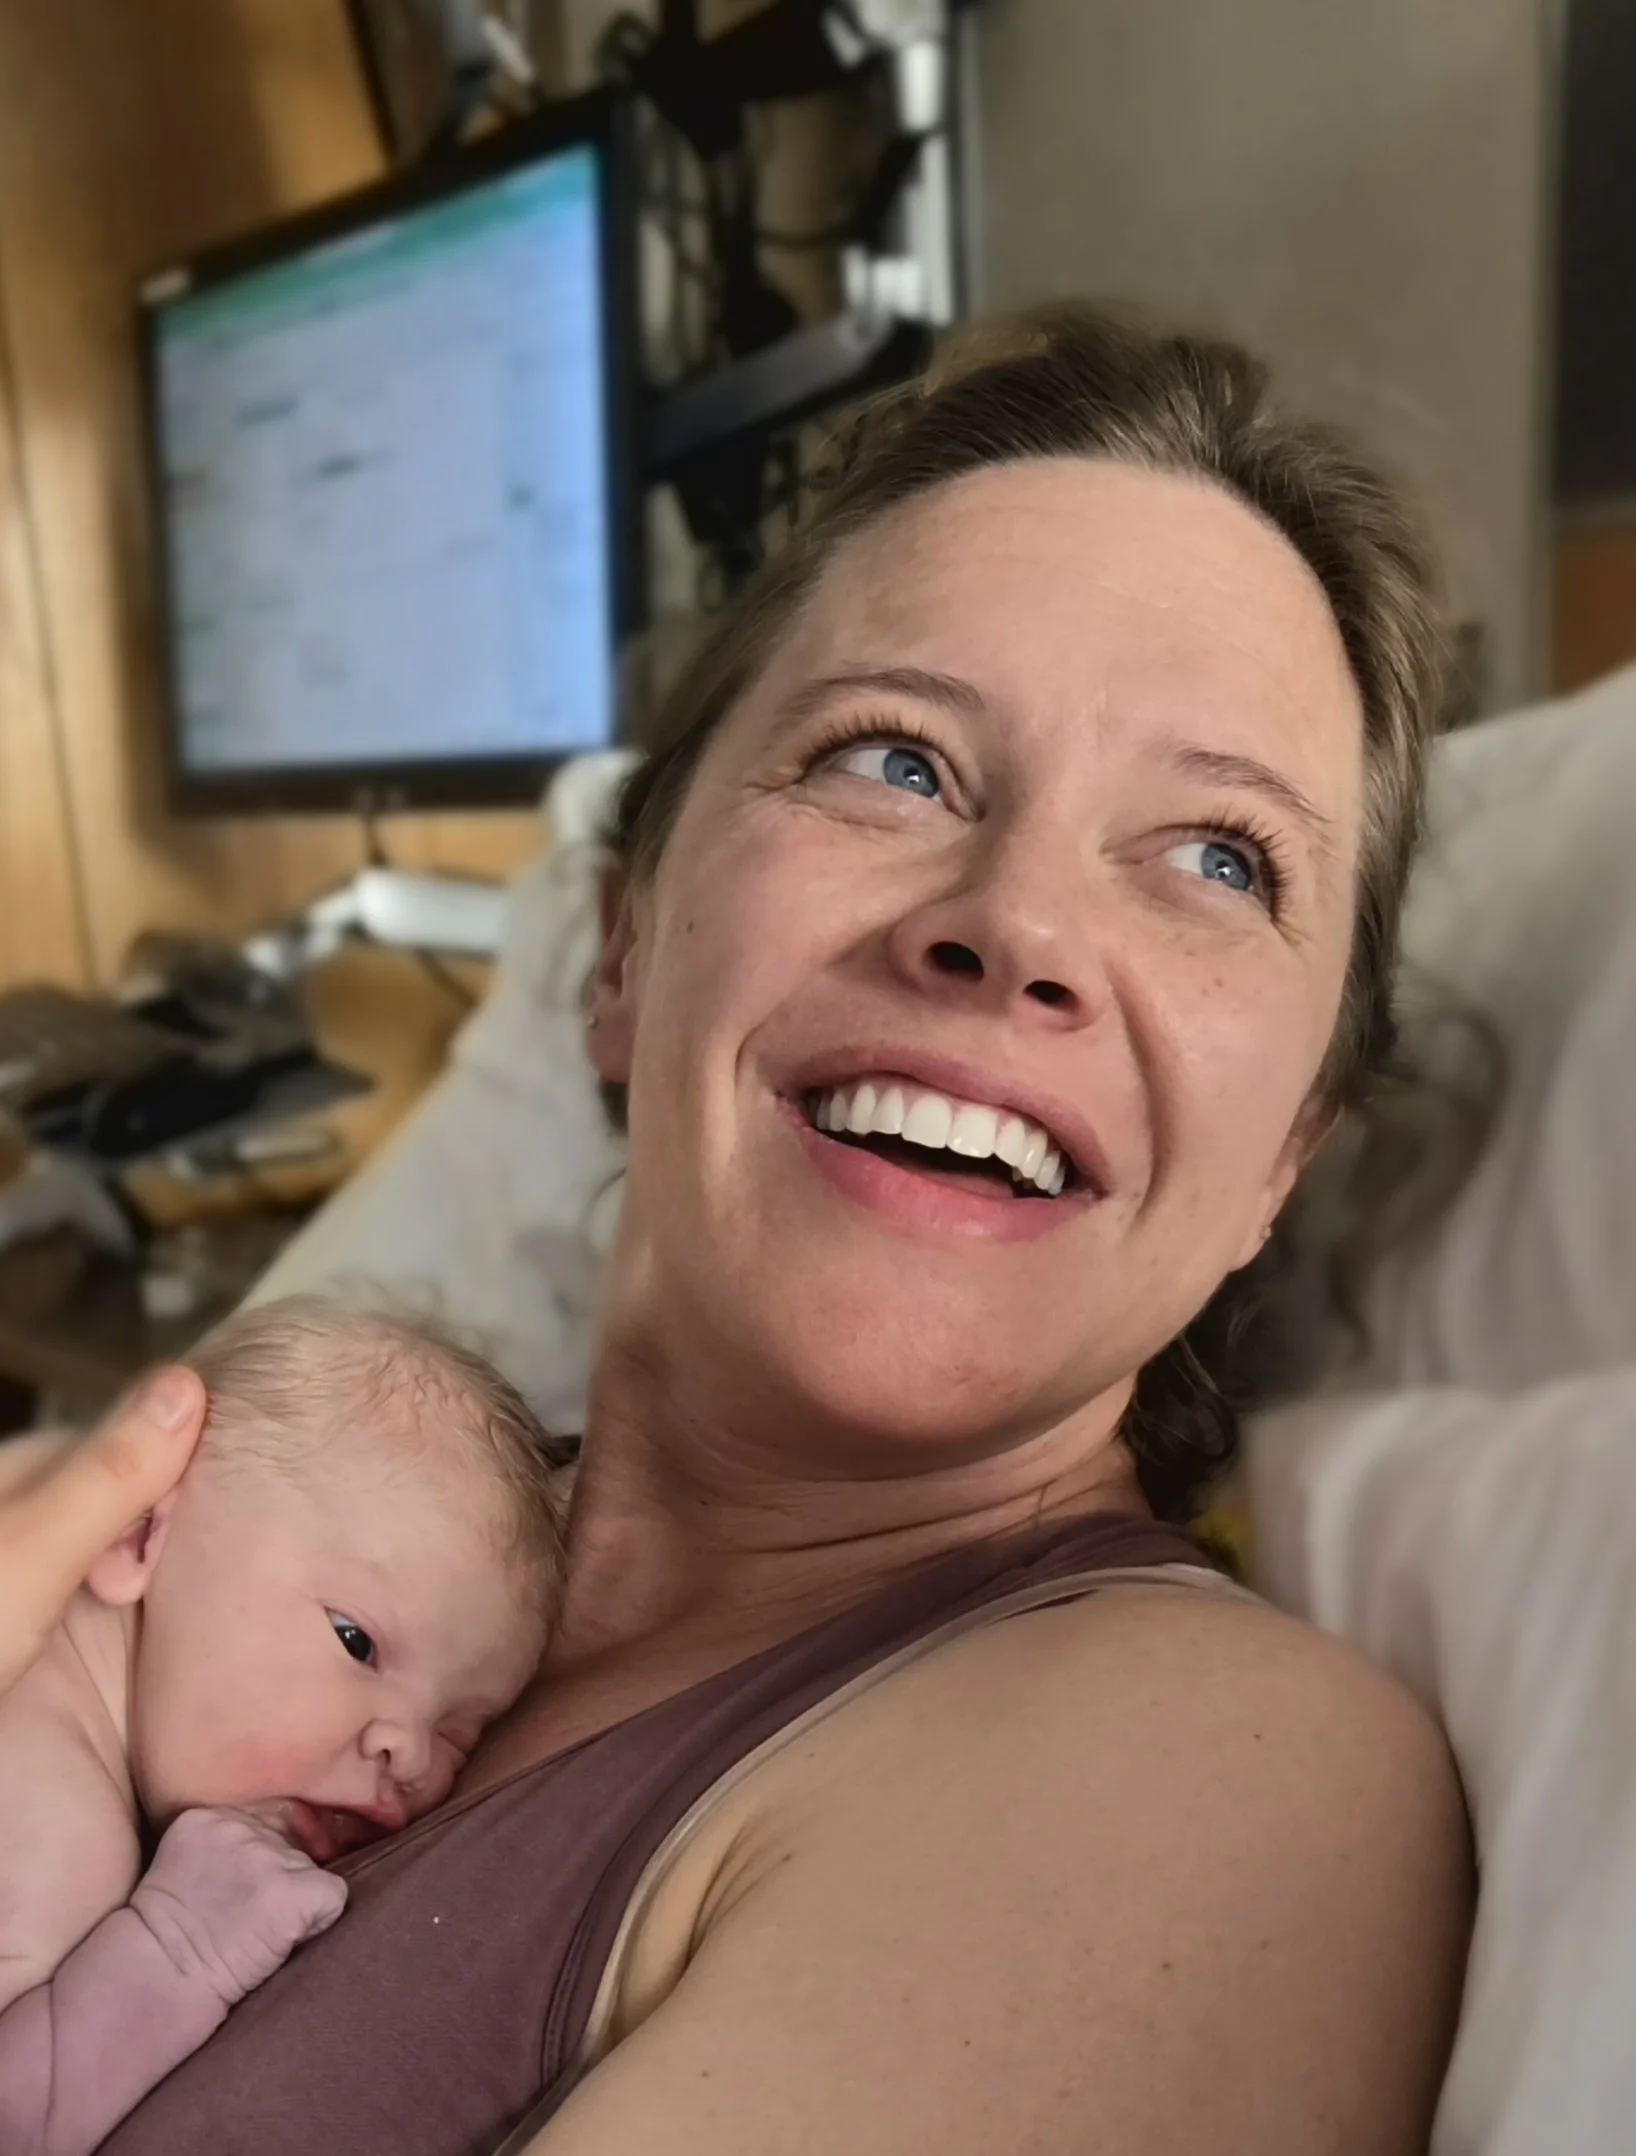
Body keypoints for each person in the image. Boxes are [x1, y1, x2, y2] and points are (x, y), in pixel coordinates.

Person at [3, 307, 1472, 2155]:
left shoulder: (1207, 1781)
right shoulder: (293, 1507)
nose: (1017, 923)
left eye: (1219, 858)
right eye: (897, 761)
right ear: (620, 950)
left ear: (1286, 1161)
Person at [0, 1297, 560, 2155]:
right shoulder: (54, 1820)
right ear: (136, 1536)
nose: (407, 1750)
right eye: (357, 1642)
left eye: (461, 1729)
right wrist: (180, 1947)